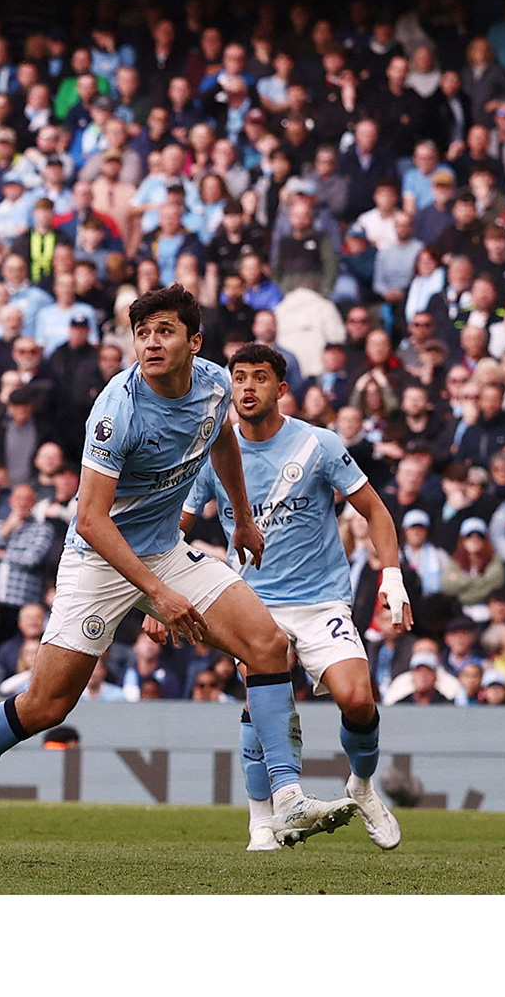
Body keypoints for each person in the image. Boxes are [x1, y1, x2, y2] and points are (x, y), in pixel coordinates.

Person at [0, 285, 357, 862]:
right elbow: (91, 520)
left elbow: (219, 439)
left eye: (164, 331)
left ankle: (287, 797)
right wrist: (158, 596)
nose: (150, 343)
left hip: (164, 549)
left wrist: (241, 517)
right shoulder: (117, 409)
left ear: (195, 341)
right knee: (46, 706)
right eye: (141, 333)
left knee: (267, 645)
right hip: (101, 561)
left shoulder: (216, 383)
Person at [173, 344, 407, 851]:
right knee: (260, 708)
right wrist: (164, 592)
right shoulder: (216, 450)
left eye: (260, 378)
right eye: (240, 378)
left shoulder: (318, 444)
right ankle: (262, 823)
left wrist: (392, 578)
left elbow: (377, 512)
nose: (248, 387)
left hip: (321, 600)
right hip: (252, 603)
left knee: (358, 699)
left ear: (281, 390)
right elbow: (177, 528)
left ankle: (361, 785)